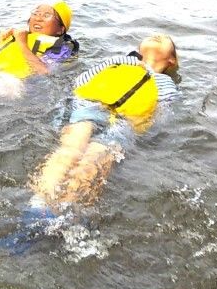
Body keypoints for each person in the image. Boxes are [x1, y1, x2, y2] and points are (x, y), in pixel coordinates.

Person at [29, 34, 179, 208]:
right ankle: (39, 203)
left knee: (94, 160)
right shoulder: (119, 61)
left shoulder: (167, 83)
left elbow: (161, 114)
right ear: (139, 50)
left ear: (172, 60)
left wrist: (139, 134)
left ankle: (66, 209)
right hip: (89, 104)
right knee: (71, 148)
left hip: (126, 122)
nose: (157, 36)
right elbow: (81, 82)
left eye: (165, 40)